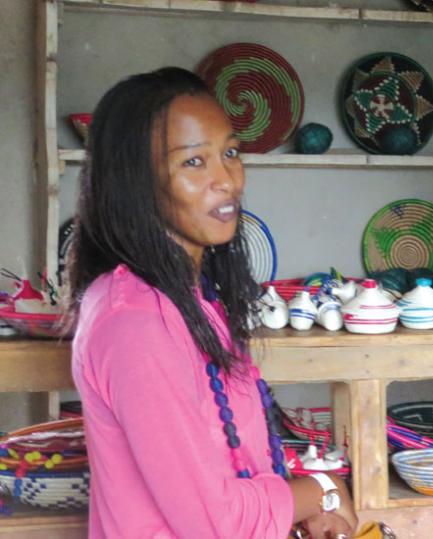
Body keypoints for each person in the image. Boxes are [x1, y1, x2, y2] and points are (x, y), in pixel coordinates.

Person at [68, 67, 358, 539]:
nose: (227, 180)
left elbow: (232, 458)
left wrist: (301, 502)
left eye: (229, 153)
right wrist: (323, 490)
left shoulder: (190, 298)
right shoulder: (136, 323)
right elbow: (213, 522)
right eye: (193, 163)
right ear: (136, 182)